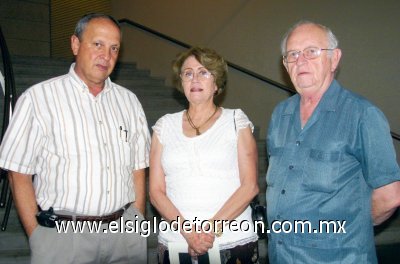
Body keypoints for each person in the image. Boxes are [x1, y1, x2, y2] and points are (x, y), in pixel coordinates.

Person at [0, 13, 151, 263]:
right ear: (75, 44)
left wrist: (136, 219)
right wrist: (38, 236)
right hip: (64, 237)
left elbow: (137, 169)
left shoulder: (129, 102)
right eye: (98, 44)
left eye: (114, 48)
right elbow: (18, 173)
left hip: (124, 234)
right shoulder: (38, 99)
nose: (107, 55)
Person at [266, 20, 400, 263]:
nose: (300, 60)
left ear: (334, 59)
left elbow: (390, 196)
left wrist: (349, 228)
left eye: (311, 52)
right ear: (285, 65)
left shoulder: (362, 115)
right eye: (293, 54)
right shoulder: (279, 115)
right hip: (281, 255)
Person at [149, 47, 260, 263]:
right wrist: (189, 234)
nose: (195, 79)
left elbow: (250, 186)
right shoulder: (164, 126)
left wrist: (209, 232)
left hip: (231, 239)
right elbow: (155, 191)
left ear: (216, 83)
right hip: (176, 240)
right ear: (181, 82)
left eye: (203, 72)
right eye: (188, 73)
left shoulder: (236, 121)